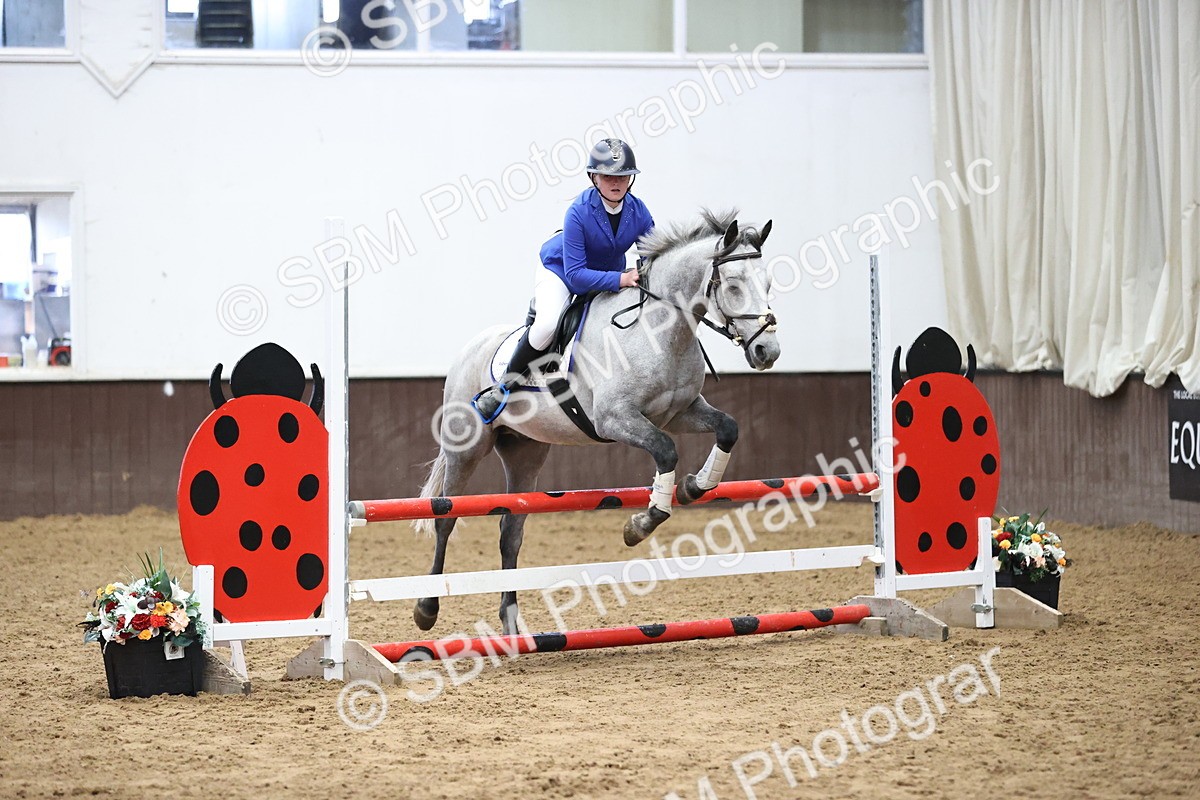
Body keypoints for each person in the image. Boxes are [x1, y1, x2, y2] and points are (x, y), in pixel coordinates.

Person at [473, 138, 655, 421]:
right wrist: (621, 280)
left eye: (622, 176)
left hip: (607, 273)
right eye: (608, 175)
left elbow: (651, 254)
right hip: (561, 271)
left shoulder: (639, 211)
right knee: (548, 324)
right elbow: (576, 277)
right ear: (593, 176)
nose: (616, 182)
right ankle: (503, 388)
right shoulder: (579, 212)